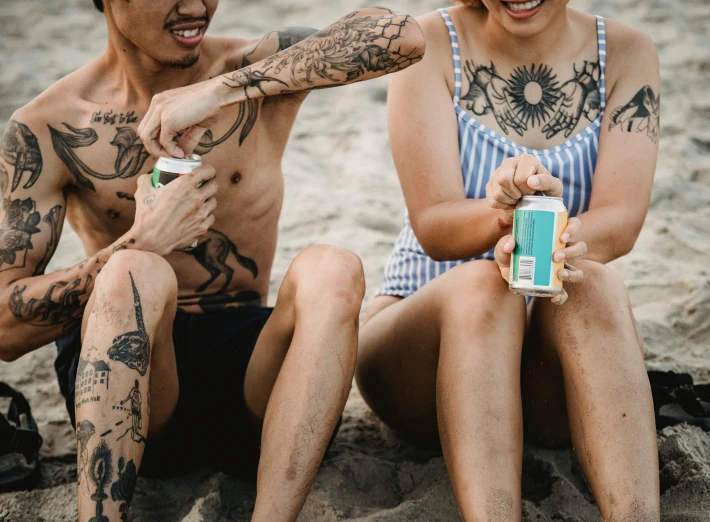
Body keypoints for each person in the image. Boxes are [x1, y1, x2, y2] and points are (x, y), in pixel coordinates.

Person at [0, 0, 424, 520]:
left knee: (332, 267)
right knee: (136, 271)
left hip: (252, 377)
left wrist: (220, 89)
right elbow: (4, 329)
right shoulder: (48, 127)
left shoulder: (252, 70)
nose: (196, 6)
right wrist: (142, 241)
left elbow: (402, 35)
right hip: (129, 373)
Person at [354, 1, 661, 521]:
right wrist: (502, 215)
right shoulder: (428, 43)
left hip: (543, 367)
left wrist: (551, 240)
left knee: (593, 282)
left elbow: (623, 219)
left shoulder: (629, 53)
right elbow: (433, 225)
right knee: (484, 284)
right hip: (419, 359)